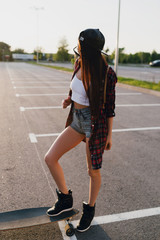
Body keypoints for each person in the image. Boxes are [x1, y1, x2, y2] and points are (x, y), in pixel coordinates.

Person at [44, 28, 117, 232]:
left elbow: (110, 107)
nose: (76, 46)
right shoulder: (78, 63)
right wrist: (70, 99)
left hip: (94, 125)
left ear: (85, 47)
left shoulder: (107, 74)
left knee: (92, 171)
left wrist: (109, 136)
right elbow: (77, 88)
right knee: (50, 158)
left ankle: (90, 209)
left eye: (79, 43)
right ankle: (65, 199)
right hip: (77, 120)